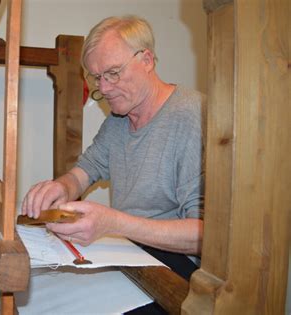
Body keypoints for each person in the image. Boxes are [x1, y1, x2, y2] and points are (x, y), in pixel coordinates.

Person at [21, 15, 205, 273]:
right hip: (133, 255)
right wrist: (62, 187)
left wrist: (114, 224)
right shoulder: (118, 119)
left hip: (178, 268)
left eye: (113, 73)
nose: (104, 88)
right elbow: (85, 171)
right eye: (97, 77)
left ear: (147, 60)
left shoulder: (194, 116)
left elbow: (203, 235)